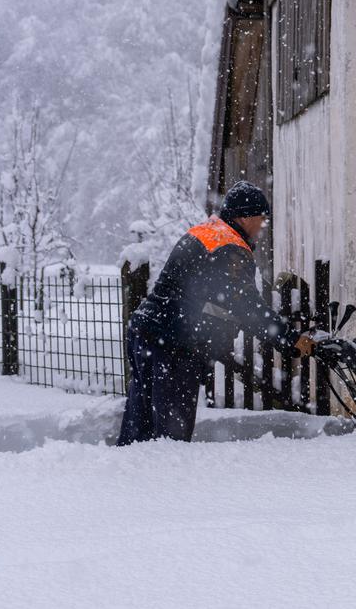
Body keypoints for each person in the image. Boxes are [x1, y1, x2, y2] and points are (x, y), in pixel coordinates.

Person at [116, 181, 314, 445]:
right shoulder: (229, 247)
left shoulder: (206, 232)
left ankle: (129, 478)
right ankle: (163, 481)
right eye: (261, 218)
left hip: (147, 331)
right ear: (245, 217)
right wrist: (290, 340)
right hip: (173, 343)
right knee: (169, 437)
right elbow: (248, 308)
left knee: (140, 426)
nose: (263, 226)